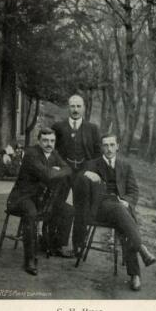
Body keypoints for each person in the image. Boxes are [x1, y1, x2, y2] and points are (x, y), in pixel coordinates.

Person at [73, 133, 156, 291]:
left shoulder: (126, 166)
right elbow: (77, 177)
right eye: (105, 145)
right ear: (101, 147)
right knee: (123, 214)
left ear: (117, 146)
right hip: (99, 208)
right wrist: (85, 173)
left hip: (120, 208)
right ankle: (141, 253)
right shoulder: (92, 164)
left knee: (123, 219)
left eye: (112, 145)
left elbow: (133, 191)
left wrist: (127, 201)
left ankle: (135, 274)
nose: (109, 148)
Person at [6, 128, 73, 276]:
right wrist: (56, 170)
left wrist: (56, 170)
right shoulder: (32, 154)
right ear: (39, 141)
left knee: (68, 210)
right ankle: (30, 259)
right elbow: (48, 176)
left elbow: (68, 169)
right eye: (45, 141)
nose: (49, 144)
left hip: (41, 199)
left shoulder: (54, 154)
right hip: (21, 197)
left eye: (52, 141)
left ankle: (56, 246)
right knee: (31, 214)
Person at [52, 94, 102, 253]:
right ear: (68, 108)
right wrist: (56, 166)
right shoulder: (58, 127)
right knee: (60, 204)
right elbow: (52, 150)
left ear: (84, 108)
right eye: (72, 106)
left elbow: (97, 153)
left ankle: (78, 245)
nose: (75, 110)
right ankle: (57, 243)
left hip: (83, 171)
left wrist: (91, 171)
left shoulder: (92, 129)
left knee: (82, 207)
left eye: (78, 106)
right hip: (65, 170)